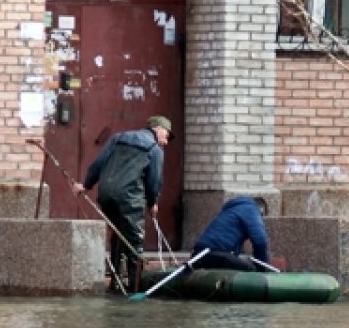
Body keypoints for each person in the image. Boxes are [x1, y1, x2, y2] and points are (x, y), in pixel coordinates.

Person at [74, 115, 172, 291]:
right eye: (166, 135)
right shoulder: (154, 149)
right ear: (157, 129)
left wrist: (87, 184)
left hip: (106, 194)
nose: (166, 141)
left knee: (118, 237)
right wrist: (153, 202)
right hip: (130, 198)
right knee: (134, 242)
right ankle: (135, 288)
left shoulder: (118, 138)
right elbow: (154, 181)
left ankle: (115, 284)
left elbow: (99, 163)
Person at [192, 195, 271, 271]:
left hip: (201, 253)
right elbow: (260, 241)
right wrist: (262, 267)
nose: (261, 221)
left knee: (239, 263)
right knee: (249, 270)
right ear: (261, 209)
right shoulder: (251, 209)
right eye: (261, 217)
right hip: (213, 252)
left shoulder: (234, 209)